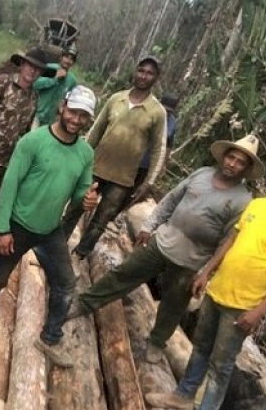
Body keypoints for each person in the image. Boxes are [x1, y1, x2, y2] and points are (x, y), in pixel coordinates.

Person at [146, 156, 266, 410]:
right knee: (200, 348)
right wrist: (207, 271)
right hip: (218, 291)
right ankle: (183, 396)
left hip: (243, 306)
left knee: (221, 366)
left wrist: (259, 312)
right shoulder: (257, 205)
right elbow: (231, 241)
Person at [68, 135, 263, 365]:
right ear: (224, 157)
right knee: (124, 274)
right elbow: (171, 200)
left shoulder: (242, 200)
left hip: (193, 260)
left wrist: (205, 272)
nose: (233, 164)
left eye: (241, 162)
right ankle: (84, 303)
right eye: (231, 157)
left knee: (174, 305)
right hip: (163, 241)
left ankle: (157, 342)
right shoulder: (201, 175)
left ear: (246, 168)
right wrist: (149, 226)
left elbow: (228, 241)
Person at [0, 86, 99, 369]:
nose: (77, 119)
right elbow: (9, 185)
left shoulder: (85, 153)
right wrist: (2, 230)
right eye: (74, 111)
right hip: (18, 225)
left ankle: (49, 338)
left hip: (50, 230)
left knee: (65, 284)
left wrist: (86, 200)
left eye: (83, 116)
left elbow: (79, 194)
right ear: (63, 106)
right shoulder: (33, 141)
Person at [61, 56, 167, 259]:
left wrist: (149, 182)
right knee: (75, 207)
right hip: (95, 167)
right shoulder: (116, 99)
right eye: (141, 70)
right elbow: (95, 131)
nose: (144, 76)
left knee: (102, 219)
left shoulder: (157, 112)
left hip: (123, 178)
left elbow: (158, 150)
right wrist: (79, 159)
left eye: (149, 73)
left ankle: (81, 253)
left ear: (156, 78)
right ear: (135, 71)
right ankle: (57, 244)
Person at [0, 47, 56, 261]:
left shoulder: (34, 97)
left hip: (9, 162)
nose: (32, 72)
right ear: (22, 65)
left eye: (38, 70)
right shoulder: (3, 83)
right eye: (30, 66)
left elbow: (25, 133)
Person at [134, 93, 180, 191]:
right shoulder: (147, 113)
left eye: (169, 111)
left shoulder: (172, 122)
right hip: (133, 158)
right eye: (164, 109)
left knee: (135, 191)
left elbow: (169, 144)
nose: (166, 113)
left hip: (148, 164)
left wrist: (163, 164)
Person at [32, 45, 78, 127]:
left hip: (52, 120)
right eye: (66, 57)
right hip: (36, 114)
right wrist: (54, 78)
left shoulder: (72, 81)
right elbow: (35, 84)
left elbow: (70, 100)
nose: (68, 61)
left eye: (71, 59)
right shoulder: (49, 68)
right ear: (61, 57)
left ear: (73, 63)